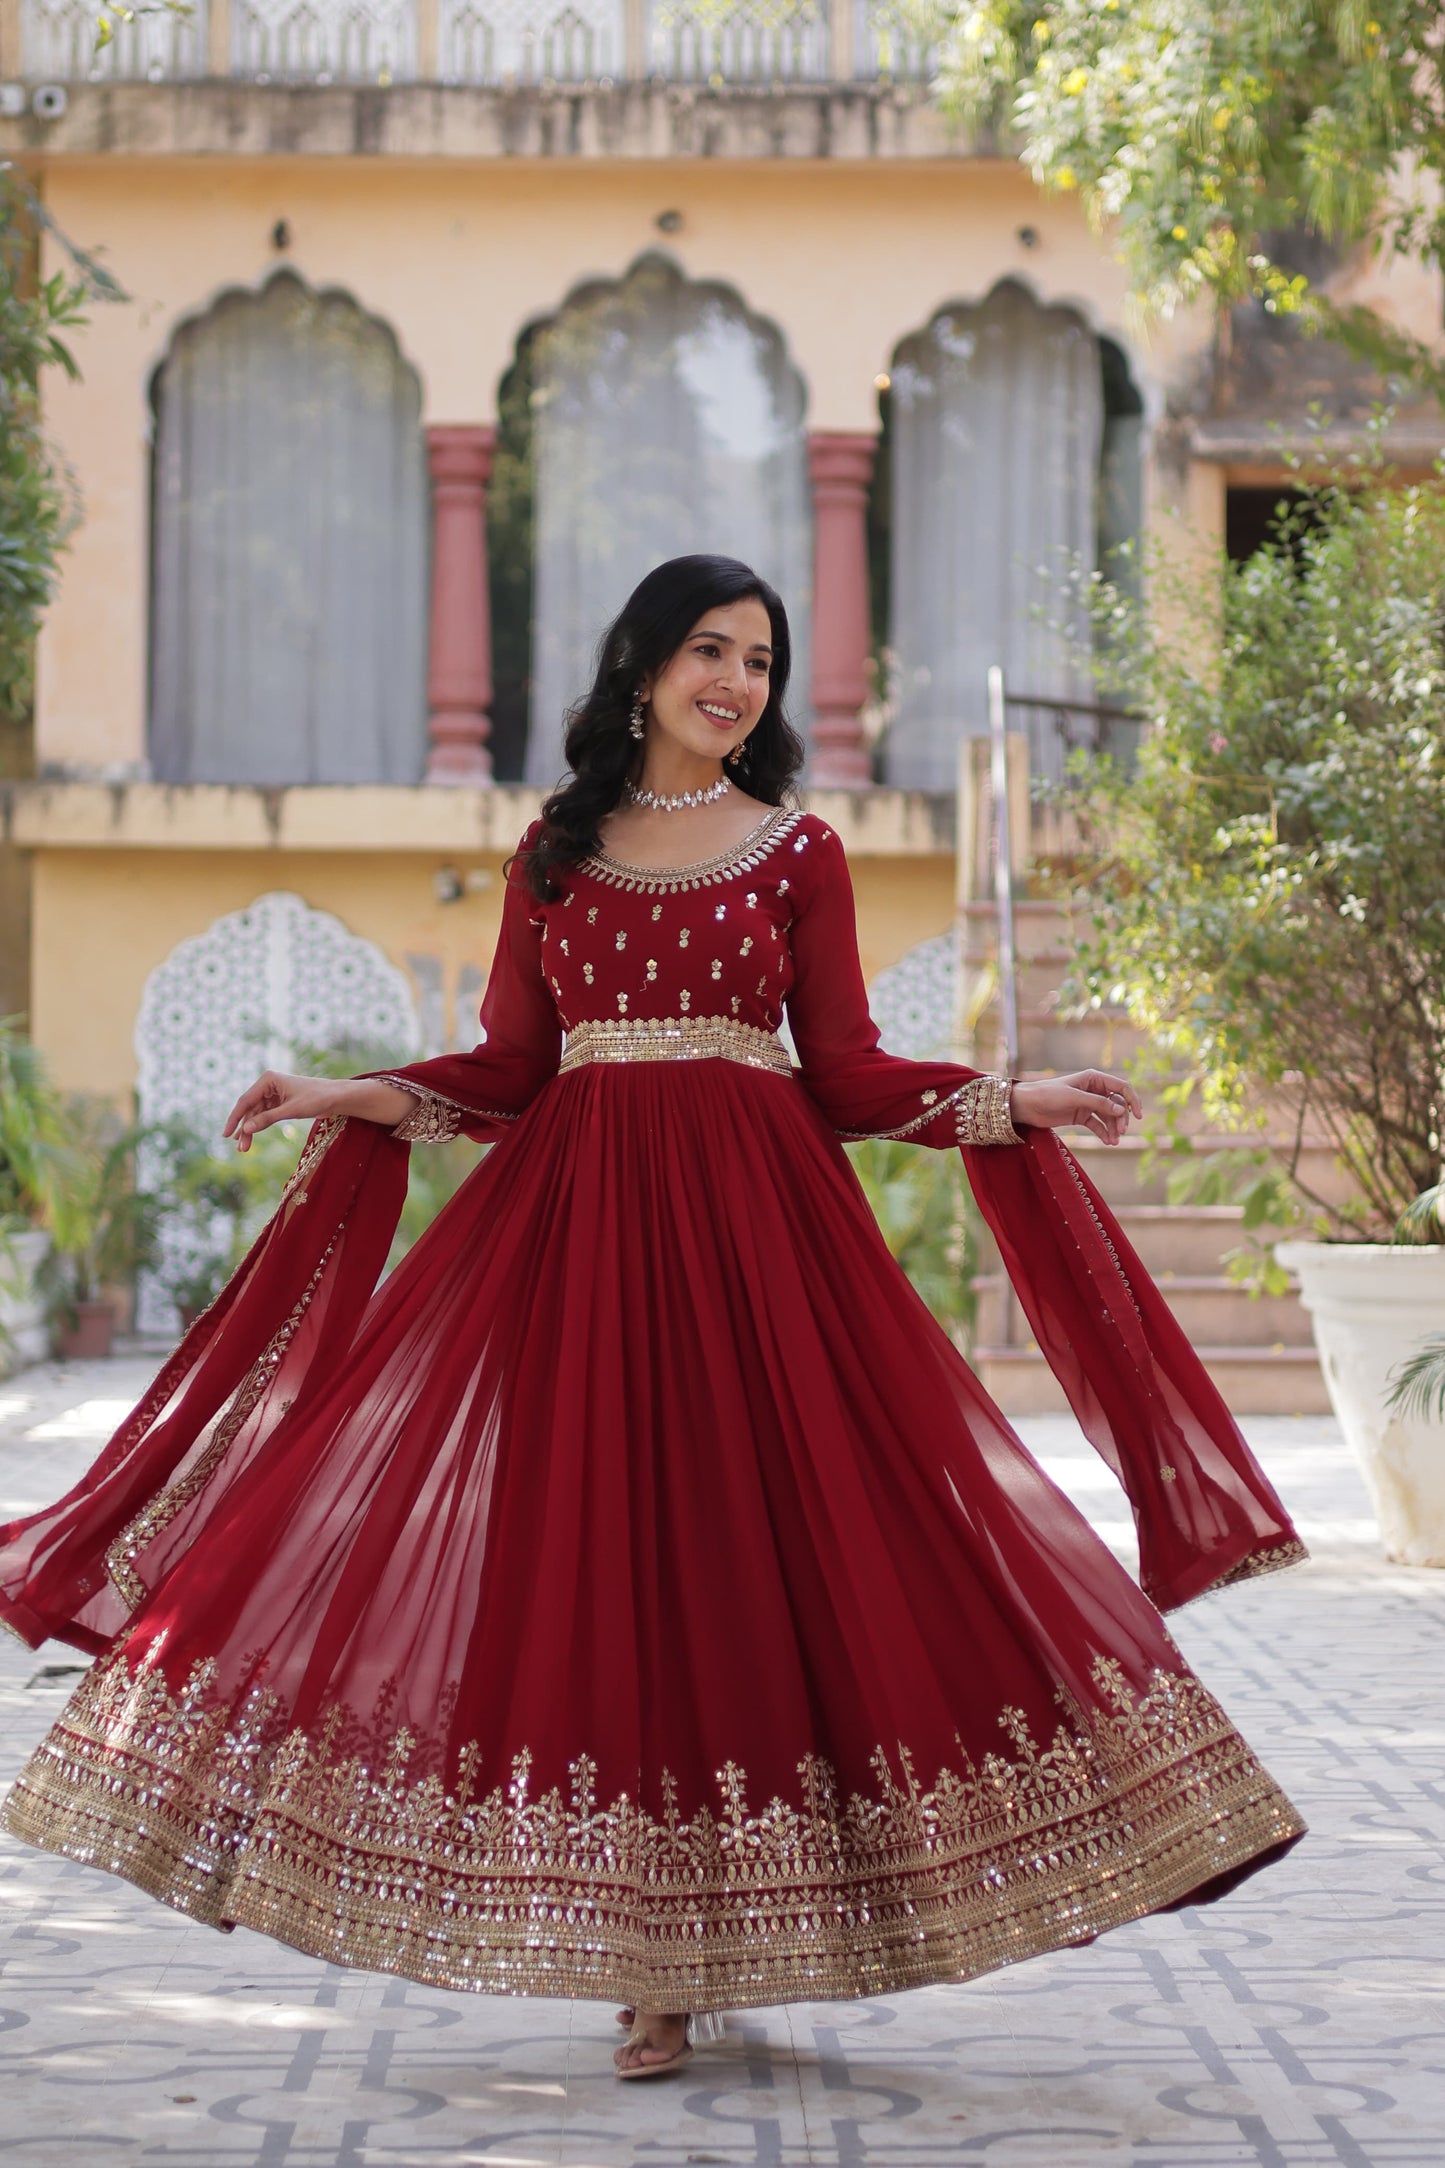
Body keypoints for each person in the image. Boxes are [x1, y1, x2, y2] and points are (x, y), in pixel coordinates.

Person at [0, 555, 1305, 2082]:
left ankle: (775, 1919)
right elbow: (509, 1068)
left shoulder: (797, 852)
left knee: (767, 1560)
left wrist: (1007, 1100)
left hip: (764, 1256)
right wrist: (345, 1092)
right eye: (708, 650)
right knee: (607, 1570)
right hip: (578, 1252)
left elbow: (844, 1071)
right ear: (640, 667)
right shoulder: (552, 856)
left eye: (759, 659)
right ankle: (649, 1966)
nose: (735, 682)